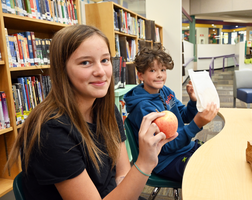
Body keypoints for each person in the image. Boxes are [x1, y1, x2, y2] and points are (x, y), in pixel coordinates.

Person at [6, 25, 177, 200]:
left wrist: (139, 170)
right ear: (62, 70)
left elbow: (122, 174)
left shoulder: (106, 109)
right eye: (85, 62)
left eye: (105, 60)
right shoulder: (51, 131)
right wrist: (144, 163)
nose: (101, 72)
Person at [124, 47, 219, 182]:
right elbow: (164, 146)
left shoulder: (164, 91)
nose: (160, 75)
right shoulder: (143, 108)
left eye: (163, 70)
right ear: (141, 75)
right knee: (206, 176)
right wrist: (196, 125)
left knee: (219, 159)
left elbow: (184, 116)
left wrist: (192, 102)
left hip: (184, 147)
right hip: (166, 160)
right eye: (152, 70)